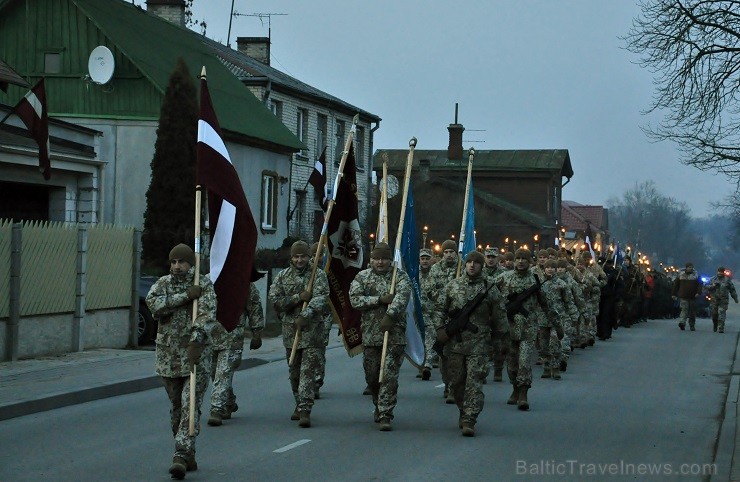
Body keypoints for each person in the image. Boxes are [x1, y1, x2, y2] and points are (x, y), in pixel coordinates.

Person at [145, 243, 217, 480]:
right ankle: (189, 452)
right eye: (174, 262)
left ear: (191, 264)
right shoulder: (163, 284)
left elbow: (207, 315)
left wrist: (197, 341)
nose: (177, 266)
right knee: (177, 409)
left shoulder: (203, 284)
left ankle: (180, 454)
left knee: (190, 405)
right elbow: (153, 304)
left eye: (182, 262)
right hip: (168, 358)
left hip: (194, 357)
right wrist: (184, 297)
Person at [434, 250, 508, 436]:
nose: (472, 265)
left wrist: (500, 341)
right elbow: (439, 310)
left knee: (474, 382)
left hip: (479, 343)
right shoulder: (453, 286)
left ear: (482, 266)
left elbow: (500, 317)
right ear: (465, 264)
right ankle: (462, 409)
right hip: (455, 345)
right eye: (469, 262)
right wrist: (440, 329)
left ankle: (470, 418)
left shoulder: (490, 289)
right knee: (457, 382)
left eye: (476, 263)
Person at [349, 242, 412, 431]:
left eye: (384, 258)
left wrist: (390, 315)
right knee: (372, 375)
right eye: (377, 258)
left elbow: (402, 297)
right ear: (371, 260)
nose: (380, 262)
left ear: (390, 260)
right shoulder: (362, 277)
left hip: (394, 335)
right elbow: (355, 299)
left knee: (389, 375)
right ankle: (378, 402)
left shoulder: (399, 277)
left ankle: (386, 413)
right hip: (370, 335)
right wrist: (378, 300)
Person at [268, 240, 329, 428]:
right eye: (296, 256)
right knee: (294, 371)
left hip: (312, 332)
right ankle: (298, 402)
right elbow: (275, 299)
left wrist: (307, 313)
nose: (300, 259)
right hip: (290, 331)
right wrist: (297, 298)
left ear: (309, 257)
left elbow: (322, 298)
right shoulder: (283, 276)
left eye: (303, 256)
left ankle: (305, 409)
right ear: (291, 257)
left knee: (307, 372)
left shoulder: (317, 275)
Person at [497, 248, 557, 411]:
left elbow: (546, 305)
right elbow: (490, 296)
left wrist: (557, 325)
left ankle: (523, 393)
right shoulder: (504, 278)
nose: (521, 261)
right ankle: (515, 389)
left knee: (524, 361)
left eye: (524, 258)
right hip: (509, 328)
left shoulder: (536, 280)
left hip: (528, 329)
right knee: (511, 363)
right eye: (518, 258)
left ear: (530, 261)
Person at [207, 280, 264, 426]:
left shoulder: (243, 281)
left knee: (224, 372)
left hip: (233, 336)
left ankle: (216, 409)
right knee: (214, 373)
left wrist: (256, 332)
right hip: (211, 337)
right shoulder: (208, 280)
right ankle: (229, 402)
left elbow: (254, 306)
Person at [428, 239, 460, 403]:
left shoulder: (462, 268)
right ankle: (447, 383)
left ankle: (455, 387)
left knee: (457, 354)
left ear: (456, 253)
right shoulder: (435, 269)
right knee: (443, 356)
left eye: (451, 252)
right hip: (441, 316)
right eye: (446, 252)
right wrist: (447, 298)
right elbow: (431, 290)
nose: (448, 255)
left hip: (459, 317)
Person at [483, 246, 507, 382]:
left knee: (499, 344)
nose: (491, 260)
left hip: (498, 311)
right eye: (488, 257)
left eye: (493, 257)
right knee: (483, 343)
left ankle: (498, 368)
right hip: (484, 312)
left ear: (498, 258)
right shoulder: (480, 273)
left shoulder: (504, 274)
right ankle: (483, 372)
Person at [418, 248, 435, 380]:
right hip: (417, 314)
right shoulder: (414, 274)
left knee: (429, 339)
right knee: (419, 341)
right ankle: (421, 364)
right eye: (422, 258)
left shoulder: (436, 274)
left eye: (427, 258)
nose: (424, 261)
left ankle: (427, 365)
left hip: (432, 313)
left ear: (432, 259)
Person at [671, 262, 702, 331]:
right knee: (684, 310)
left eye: (691, 267)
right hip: (683, 296)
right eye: (689, 267)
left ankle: (692, 325)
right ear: (686, 268)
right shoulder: (681, 275)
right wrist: (673, 294)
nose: (690, 268)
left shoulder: (696, 275)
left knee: (692, 312)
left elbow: (700, 285)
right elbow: (676, 285)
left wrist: (699, 293)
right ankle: (682, 323)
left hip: (693, 297)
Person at [707, 267, 738, 333]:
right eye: (719, 271)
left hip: (723, 300)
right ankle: (715, 324)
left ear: (723, 272)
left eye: (721, 271)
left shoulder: (727, 280)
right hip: (714, 299)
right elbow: (706, 286)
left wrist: (735, 298)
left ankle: (721, 327)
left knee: (721, 313)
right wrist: (713, 286)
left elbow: (732, 289)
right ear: (717, 272)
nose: (720, 273)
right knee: (714, 314)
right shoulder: (713, 279)